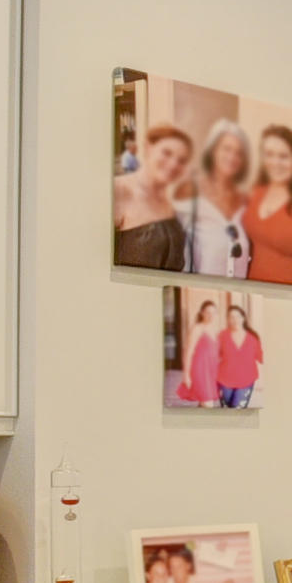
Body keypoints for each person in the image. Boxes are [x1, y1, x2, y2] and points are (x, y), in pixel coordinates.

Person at [114, 125, 193, 269]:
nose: (173, 164)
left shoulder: (169, 201)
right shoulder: (120, 190)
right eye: (167, 153)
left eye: (181, 160)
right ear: (148, 148)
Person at [186, 120, 254, 277]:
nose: (232, 157)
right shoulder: (192, 191)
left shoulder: (246, 200)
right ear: (213, 150)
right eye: (227, 149)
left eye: (239, 153)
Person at [243, 124, 292, 285]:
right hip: (255, 294)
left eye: (283, 156)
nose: (275, 162)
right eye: (269, 154)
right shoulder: (256, 192)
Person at [177, 299, 223, 406]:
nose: (210, 315)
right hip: (200, 370)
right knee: (208, 403)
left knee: (203, 402)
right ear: (202, 313)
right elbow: (188, 352)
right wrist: (186, 375)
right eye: (207, 312)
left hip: (211, 371)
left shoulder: (215, 329)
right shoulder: (197, 328)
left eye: (213, 313)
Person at [219, 301, 262, 410]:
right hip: (224, 380)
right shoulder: (222, 336)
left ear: (243, 318)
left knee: (237, 412)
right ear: (228, 320)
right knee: (226, 411)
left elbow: (261, 357)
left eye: (238, 316)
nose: (235, 320)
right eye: (231, 317)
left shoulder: (253, 338)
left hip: (246, 380)